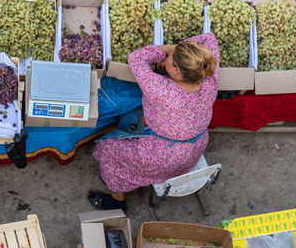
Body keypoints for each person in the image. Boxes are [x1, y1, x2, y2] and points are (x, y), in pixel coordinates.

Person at [89, 33, 219, 212]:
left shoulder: (162, 89)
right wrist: (182, 53)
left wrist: (166, 48)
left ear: (175, 72)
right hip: (193, 149)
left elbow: (135, 58)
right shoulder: (209, 80)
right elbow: (210, 38)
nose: (167, 56)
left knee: (108, 151)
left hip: (164, 157)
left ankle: (117, 200)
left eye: (170, 58)